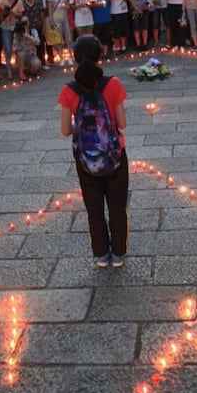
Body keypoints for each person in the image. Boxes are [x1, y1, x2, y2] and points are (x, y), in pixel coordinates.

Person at [58, 35, 129, 268]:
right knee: (117, 206)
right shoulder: (113, 84)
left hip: (85, 159)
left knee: (93, 207)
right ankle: (118, 253)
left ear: (76, 58)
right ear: (100, 55)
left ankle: (101, 254)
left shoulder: (69, 90)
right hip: (114, 154)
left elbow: (66, 130)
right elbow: (122, 122)